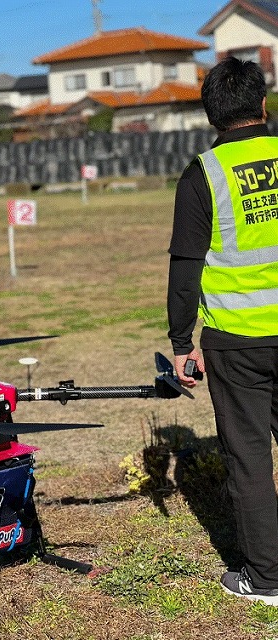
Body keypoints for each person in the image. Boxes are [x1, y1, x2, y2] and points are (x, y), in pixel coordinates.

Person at [167, 56, 278, 605]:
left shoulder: (202, 175)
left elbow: (185, 268)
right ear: (263, 105)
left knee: (251, 458)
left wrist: (181, 344)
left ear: (212, 116)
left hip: (236, 344)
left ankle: (266, 578)